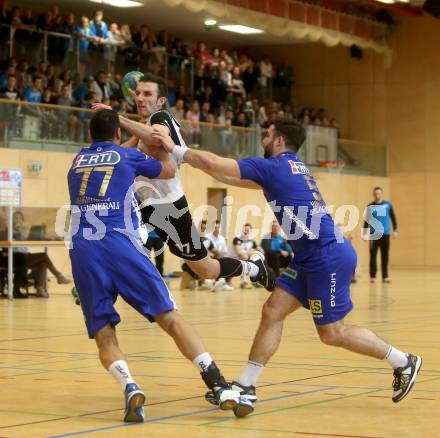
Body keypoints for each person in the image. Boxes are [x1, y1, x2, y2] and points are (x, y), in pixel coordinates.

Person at [152, 120, 422, 408]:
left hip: (327, 257)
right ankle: (247, 384)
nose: (263, 139)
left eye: (267, 135)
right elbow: (225, 174)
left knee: (332, 333)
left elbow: (216, 162)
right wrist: (190, 164)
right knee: (272, 310)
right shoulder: (290, 167)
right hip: (308, 258)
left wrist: (175, 149)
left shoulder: (275, 167)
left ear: (279, 140)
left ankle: (403, 361)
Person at [68, 110, 253, 423]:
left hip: (83, 251)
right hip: (120, 245)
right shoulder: (127, 157)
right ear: (117, 134)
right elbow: (167, 170)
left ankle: (130, 385)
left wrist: (123, 134)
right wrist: (162, 144)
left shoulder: (76, 161)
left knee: (104, 332)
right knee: (170, 318)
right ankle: (219, 385)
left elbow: (110, 151)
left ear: (91, 136)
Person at [92, 73, 274, 292]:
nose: (140, 98)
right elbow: (124, 152)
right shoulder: (142, 127)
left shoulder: (161, 117)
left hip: (168, 208)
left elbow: (156, 137)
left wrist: (116, 117)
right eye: (138, 93)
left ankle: (254, 268)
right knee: (114, 240)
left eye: (147, 94)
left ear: (160, 100)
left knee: (205, 269)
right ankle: (101, 285)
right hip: (145, 206)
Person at [12, 210, 71, 298]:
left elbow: (27, 238)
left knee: (42, 262)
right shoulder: (10, 230)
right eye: (16, 218)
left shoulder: (23, 229)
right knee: (43, 256)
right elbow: (20, 237)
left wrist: (46, 237)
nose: (18, 220)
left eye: (20, 218)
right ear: (12, 219)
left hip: (24, 255)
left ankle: (40, 289)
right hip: (15, 257)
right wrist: (18, 229)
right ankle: (58, 276)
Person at [363, 187, 397, 283]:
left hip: (385, 234)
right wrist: (365, 234)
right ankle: (372, 276)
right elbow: (366, 221)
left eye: (379, 193)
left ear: (381, 194)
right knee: (373, 255)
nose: (377, 195)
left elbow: (393, 217)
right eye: (375, 194)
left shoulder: (388, 204)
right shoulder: (370, 206)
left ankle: (385, 276)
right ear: (373, 195)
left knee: (385, 255)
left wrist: (395, 230)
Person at [207, 220, 233, 292]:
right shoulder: (207, 237)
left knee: (230, 262)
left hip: (220, 258)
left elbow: (225, 251)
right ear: (212, 228)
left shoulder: (222, 238)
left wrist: (223, 256)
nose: (217, 229)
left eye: (218, 228)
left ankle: (222, 283)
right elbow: (206, 251)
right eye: (215, 227)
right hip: (210, 258)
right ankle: (218, 283)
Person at [233, 223, 262, 289]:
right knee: (244, 257)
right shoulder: (237, 239)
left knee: (257, 258)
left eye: (247, 230)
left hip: (245, 257)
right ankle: (243, 282)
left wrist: (260, 254)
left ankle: (255, 281)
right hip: (235, 258)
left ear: (250, 231)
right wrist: (249, 254)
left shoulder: (251, 241)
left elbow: (260, 249)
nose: (245, 232)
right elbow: (239, 253)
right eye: (244, 230)